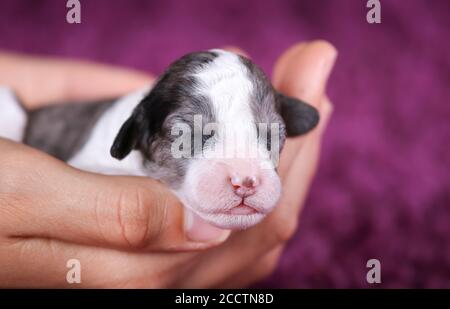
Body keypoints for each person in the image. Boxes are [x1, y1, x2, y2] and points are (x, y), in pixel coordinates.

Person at [0, 41, 336, 288]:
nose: (246, 178)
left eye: (267, 137)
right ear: (140, 135)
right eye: (191, 136)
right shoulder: (113, 142)